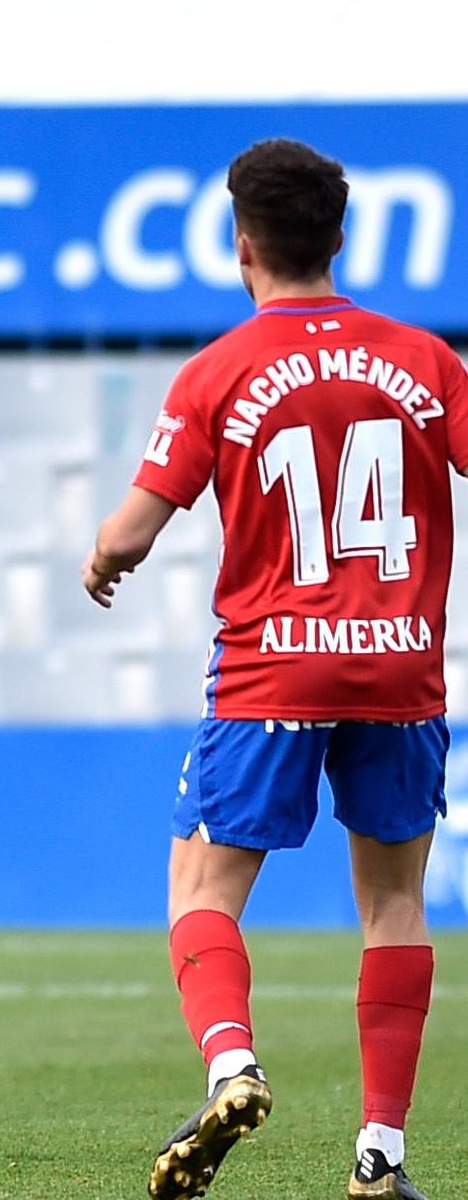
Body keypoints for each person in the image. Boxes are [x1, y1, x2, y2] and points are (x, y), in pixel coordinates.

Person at [87, 139, 452, 1200]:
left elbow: (136, 526)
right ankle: (377, 1158)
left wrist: (102, 556)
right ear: (338, 238)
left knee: (199, 889)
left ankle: (230, 1065)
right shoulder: (424, 361)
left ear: (241, 244)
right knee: (392, 905)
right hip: (395, 671)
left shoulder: (216, 372)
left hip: (269, 676)